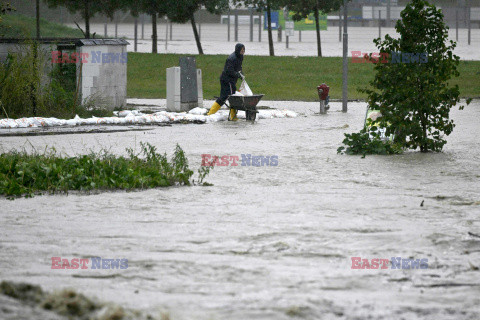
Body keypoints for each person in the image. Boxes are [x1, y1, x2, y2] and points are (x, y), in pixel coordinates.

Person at [207, 43, 245, 121]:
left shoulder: (240, 57)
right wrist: (237, 74)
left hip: (231, 80)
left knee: (224, 97)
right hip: (227, 80)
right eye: (241, 50)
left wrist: (240, 73)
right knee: (232, 97)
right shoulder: (232, 58)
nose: (243, 52)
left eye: (244, 50)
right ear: (237, 50)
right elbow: (229, 70)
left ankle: (211, 113)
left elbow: (238, 67)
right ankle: (232, 116)